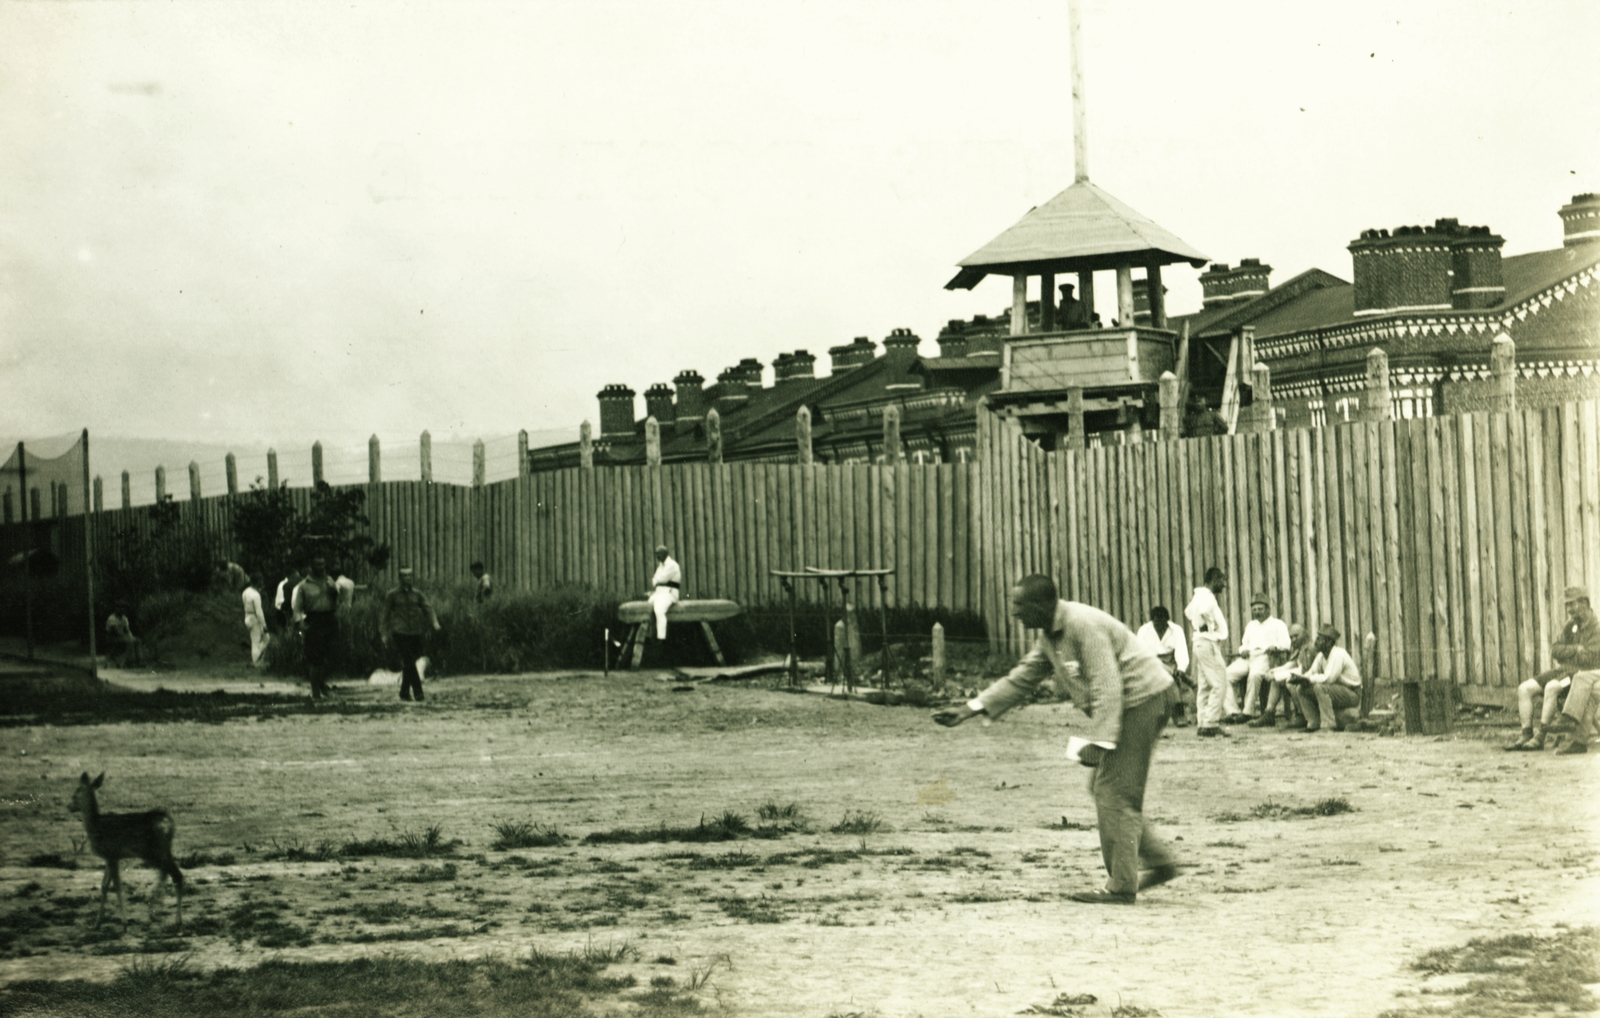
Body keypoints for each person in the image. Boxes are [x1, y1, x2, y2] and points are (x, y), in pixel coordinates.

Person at [933, 575, 1180, 905]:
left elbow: (1108, 685)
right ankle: (1159, 863)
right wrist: (971, 708)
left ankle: (1122, 886)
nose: (1014, 612)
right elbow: (1024, 676)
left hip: (1143, 700)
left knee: (1113, 791)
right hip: (1135, 701)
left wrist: (1102, 742)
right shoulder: (1052, 634)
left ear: (1042, 605)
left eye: (1019, 604)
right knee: (1109, 789)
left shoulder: (1081, 624)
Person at [1507, 585, 1600, 752]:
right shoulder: (1570, 625)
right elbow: (1555, 650)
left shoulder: (1596, 627)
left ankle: (1540, 737)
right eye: (1567, 605)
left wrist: (1570, 652)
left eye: (1572, 604)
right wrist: (1575, 649)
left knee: (1552, 687)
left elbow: (1589, 658)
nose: (1569, 609)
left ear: (1585, 603)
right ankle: (1526, 734)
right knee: (1524, 689)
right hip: (1563, 670)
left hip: (1580, 674)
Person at [1224, 594, 1291, 723]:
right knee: (1224, 675)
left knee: (1255, 675)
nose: (1257, 612)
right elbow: (1244, 644)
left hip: (1266, 656)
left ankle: (1247, 712)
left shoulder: (1278, 624)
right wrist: (1243, 650)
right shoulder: (1251, 625)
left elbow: (1286, 644)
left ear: (1268, 609)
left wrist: (1275, 647)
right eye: (1254, 610)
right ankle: (1233, 711)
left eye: (1260, 609)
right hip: (1248, 657)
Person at [1288, 624, 1362, 732]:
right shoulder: (1321, 656)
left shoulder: (1338, 654)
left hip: (1352, 694)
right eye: (1317, 638)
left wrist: (1309, 679)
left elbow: (1329, 678)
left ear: (1329, 642)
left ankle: (1328, 725)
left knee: (1320, 687)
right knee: (1301, 689)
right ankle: (1313, 723)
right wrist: (1300, 678)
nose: (1316, 642)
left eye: (1319, 639)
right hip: (1337, 691)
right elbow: (1311, 673)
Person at [382, 566, 441, 703]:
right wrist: (384, 634)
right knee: (408, 660)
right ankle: (419, 694)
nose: (407, 578)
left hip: (415, 632)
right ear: (399, 578)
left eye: (410, 575)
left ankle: (403, 692)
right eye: (404, 575)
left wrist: (435, 623)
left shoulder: (417, 594)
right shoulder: (393, 594)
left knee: (410, 662)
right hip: (400, 632)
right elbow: (384, 615)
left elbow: (428, 608)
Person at [1185, 566, 1231, 737]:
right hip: (1207, 641)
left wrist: (1198, 625)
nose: (1224, 584)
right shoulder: (1208, 597)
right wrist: (1207, 625)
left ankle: (1202, 722)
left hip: (1199, 642)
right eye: (1222, 580)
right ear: (1214, 579)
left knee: (1204, 685)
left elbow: (1189, 612)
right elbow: (1203, 611)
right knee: (1219, 682)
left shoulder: (1198, 595)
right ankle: (1211, 723)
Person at [291, 557, 340, 699]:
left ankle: (321, 682)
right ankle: (316, 692)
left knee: (335, 655)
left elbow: (337, 600)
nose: (321, 567)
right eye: (318, 564)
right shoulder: (304, 585)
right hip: (314, 621)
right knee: (315, 658)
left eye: (323, 564)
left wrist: (334, 590)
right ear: (312, 567)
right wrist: (300, 624)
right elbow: (297, 608)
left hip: (330, 619)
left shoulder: (329, 581)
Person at [1251, 622, 1313, 728]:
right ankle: (1269, 713)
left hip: (1314, 681)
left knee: (1290, 683)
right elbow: (1292, 663)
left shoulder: (1310, 648)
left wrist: (1277, 675)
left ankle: (1302, 715)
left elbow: (1302, 671)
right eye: (1291, 637)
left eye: (1296, 636)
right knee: (1278, 680)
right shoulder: (1299, 647)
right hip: (1304, 678)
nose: (1293, 639)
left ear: (1305, 634)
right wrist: (1274, 671)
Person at [1136, 605, 1190, 726]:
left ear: (1167, 621)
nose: (1158, 624)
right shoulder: (1144, 631)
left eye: (1161, 621)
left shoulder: (1176, 630)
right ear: (1152, 621)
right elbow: (1140, 652)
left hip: (1170, 661)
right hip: (1150, 661)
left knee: (1173, 681)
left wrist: (1180, 668)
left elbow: (1182, 651)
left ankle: (1179, 715)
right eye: (1156, 621)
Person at [647, 545, 681, 640]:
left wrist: (658, 580)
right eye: (656, 554)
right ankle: (650, 634)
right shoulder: (661, 566)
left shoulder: (672, 565)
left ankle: (661, 638)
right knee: (648, 606)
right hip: (660, 594)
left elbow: (661, 579)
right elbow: (654, 580)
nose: (657, 556)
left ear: (665, 554)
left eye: (659, 554)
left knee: (659, 610)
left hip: (670, 594)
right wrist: (657, 581)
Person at [241, 573, 270, 667]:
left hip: (247, 616)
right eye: (261, 580)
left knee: (266, 638)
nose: (262, 582)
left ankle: (258, 660)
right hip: (254, 617)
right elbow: (259, 611)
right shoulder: (256, 594)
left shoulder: (245, 591)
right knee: (256, 641)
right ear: (258, 582)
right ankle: (256, 662)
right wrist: (264, 624)